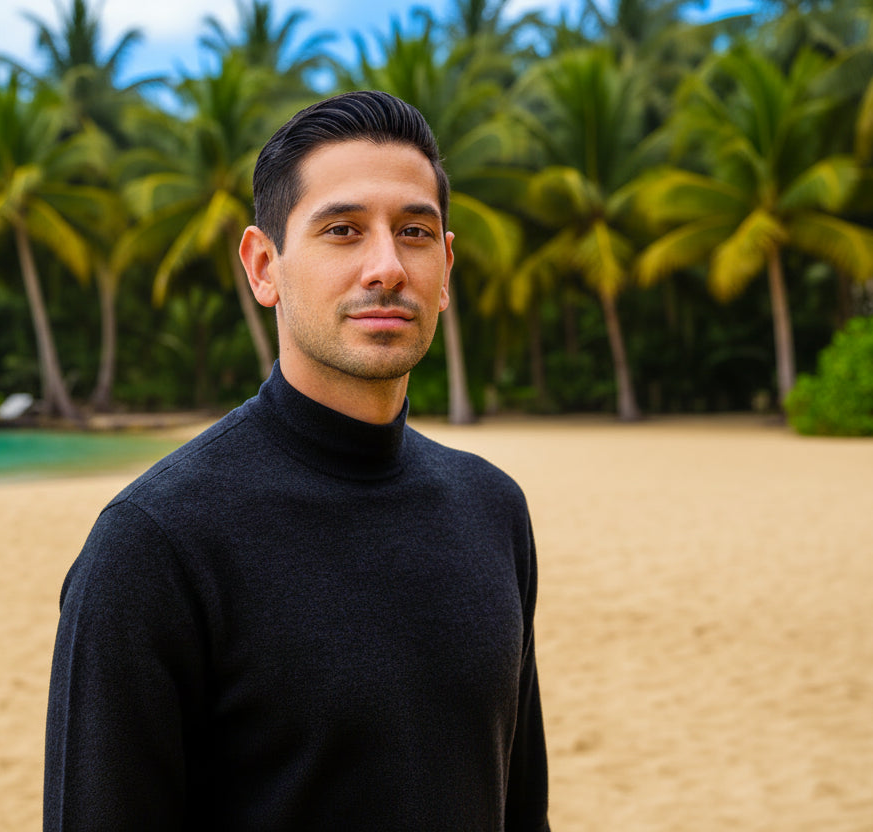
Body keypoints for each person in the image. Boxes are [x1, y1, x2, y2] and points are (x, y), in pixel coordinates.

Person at [44, 90, 550, 831]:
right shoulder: (155, 544)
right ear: (263, 266)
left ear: (445, 266)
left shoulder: (491, 508)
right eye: (342, 230)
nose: (386, 266)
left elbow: (520, 808)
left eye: (413, 231)